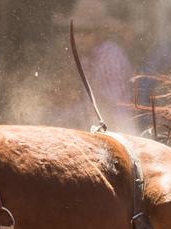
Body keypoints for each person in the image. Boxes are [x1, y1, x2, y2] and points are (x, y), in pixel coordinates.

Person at [57, 0, 136, 133]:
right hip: (99, 126)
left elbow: (108, 106)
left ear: (100, 33)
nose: (80, 38)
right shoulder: (86, 57)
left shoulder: (109, 56)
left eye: (87, 32)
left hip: (118, 130)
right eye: (77, 31)